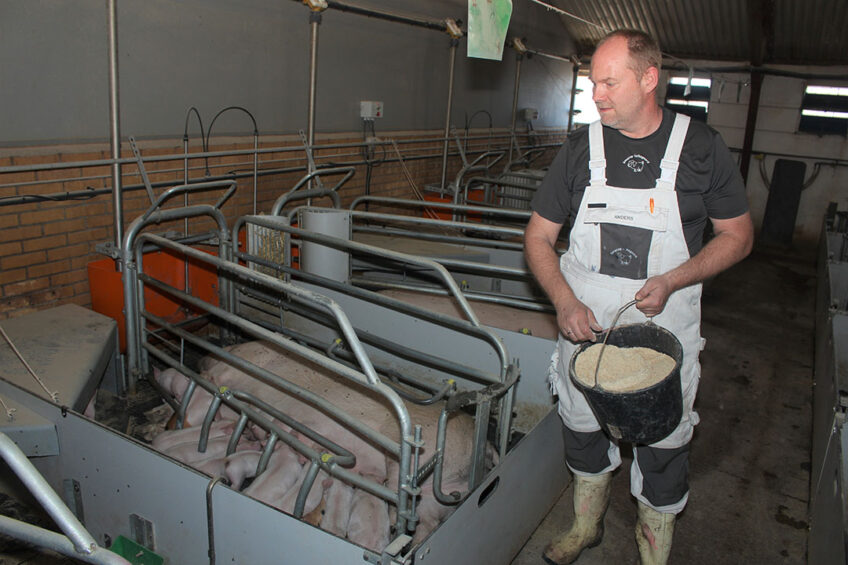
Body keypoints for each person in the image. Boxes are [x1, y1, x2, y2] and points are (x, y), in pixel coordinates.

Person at [524, 29, 754, 565]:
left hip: (666, 322)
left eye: (609, 82)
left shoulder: (700, 148)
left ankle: (653, 552)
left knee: (664, 444)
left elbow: (739, 235)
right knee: (581, 428)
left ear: (649, 79)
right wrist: (562, 300)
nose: (596, 94)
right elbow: (537, 237)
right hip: (586, 323)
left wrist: (675, 279)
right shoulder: (582, 148)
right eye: (592, 82)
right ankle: (586, 527)